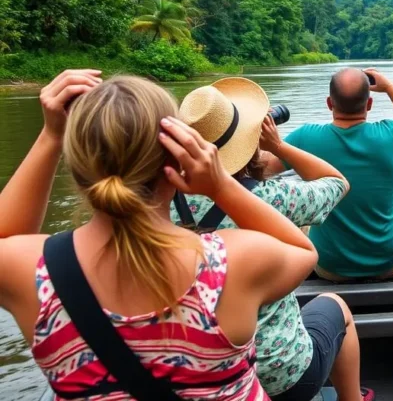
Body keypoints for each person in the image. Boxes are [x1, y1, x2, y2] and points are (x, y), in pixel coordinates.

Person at [0, 72, 319, 400]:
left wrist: (51, 136)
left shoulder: (36, 274)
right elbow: (302, 249)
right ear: (178, 158)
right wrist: (221, 185)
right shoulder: (231, 262)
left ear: (77, 166)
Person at [172, 78, 373, 401]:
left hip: (199, 378)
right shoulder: (272, 197)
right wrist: (277, 146)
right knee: (335, 306)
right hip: (283, 376)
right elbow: (336, 182)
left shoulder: (159, 202)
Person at [265, 68, 393, 282]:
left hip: (329, 267)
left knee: (303, 221)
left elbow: (263, 166)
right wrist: (388, 87)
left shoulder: (306, 137)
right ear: (369, 104)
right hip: (389, 264)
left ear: (329, 103)